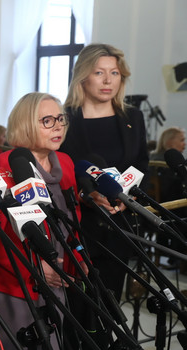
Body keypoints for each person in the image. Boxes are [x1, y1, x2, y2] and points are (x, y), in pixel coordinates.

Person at [0, 92, 86, 350]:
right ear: (26, 124)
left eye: (60, 119)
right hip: (15, 284)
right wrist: (37, 270)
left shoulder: (63, 163)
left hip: (57, 280)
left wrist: (74, 264)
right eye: (47, 121)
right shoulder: (1, 166)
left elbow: (72, 220)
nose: (58, 127)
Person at [59, 43, 149, 301]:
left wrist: (127, 198)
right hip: (77, 227)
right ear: (83, 76)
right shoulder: (64, 119)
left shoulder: (133, 117)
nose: (108, 80)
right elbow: (57, 172)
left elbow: (142, 165)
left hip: (119, 226)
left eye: (115, 73)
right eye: (99, 73)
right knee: (77, 310)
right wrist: (86, 195)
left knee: (109, 306)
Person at [150, 127, 186, 272]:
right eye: (182, 140)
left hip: (152, 210)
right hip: (165, 210)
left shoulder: (152, 158)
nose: (185, 144)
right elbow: (169, 192)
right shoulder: (168, 164)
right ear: (170, 142)